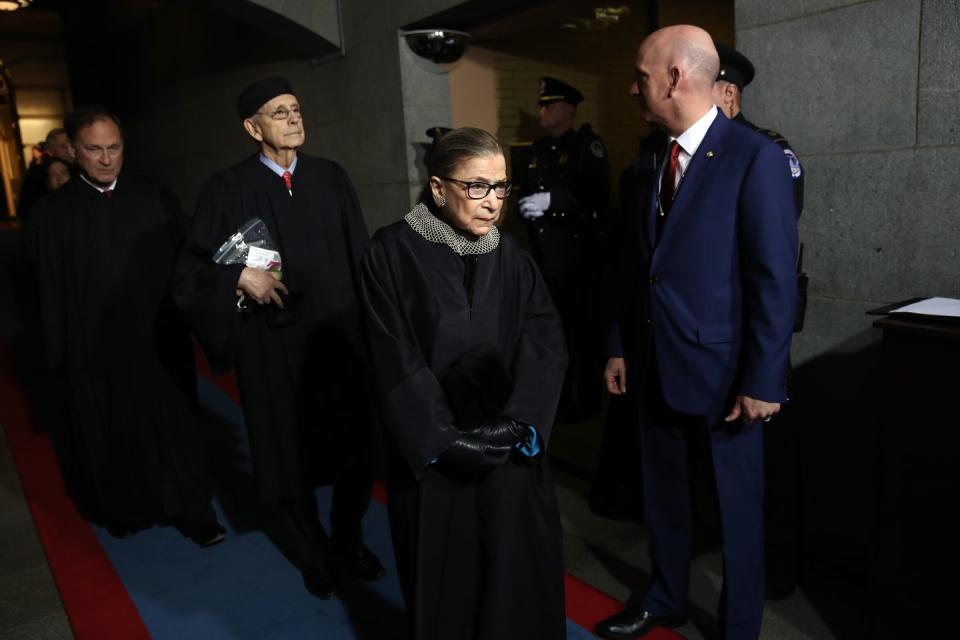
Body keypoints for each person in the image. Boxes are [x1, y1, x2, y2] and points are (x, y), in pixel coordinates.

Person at [594, 26, 798, 640]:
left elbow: (773, 278)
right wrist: (620, 345)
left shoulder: (754, 157)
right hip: (656, 362)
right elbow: (635, 268)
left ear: (674, 77)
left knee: (737, 513)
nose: (634, 86)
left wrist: (765, 379)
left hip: (728, 376)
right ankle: (665, 598)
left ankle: (739, 628)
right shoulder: (652, 158)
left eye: (640, 74)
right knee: (664, 499)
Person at [174, 76, 384, 600]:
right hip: (271, 349)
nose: (293, 118)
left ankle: (348, 536)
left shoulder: (331, 178)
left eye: (296, 109)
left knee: (356, 450)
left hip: (337, 340)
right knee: (288, 457)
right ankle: (312, 554)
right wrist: (238, 277)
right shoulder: (228, 188)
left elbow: (361, 257)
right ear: (253, 127)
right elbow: (191, 271)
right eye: (278, 112)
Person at [360, 127, 568, 639]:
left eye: (501, 187)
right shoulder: (390, 253)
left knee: (513, 582)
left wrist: (519, 425)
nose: (493, 202)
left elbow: (545, 341)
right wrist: (443, 439)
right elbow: (390, 353)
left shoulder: (512, 256)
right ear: (437, 187)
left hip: (507, 452)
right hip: (435, 461)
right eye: (477, 187)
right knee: (446, 588)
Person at [26, 106, 225, 546]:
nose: (106, 159)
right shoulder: (52, 215)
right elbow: (45, 294)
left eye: (113, 148)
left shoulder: (155, 196)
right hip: (95, 350)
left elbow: (186, 267)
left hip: (161, 341)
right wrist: (56, 359)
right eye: (94, 150)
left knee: (177, 429)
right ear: (74, 152)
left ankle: (195, 511)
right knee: (109, 432)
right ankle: (122, 509)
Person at [712, 42, 807, 599]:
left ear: (728, 93)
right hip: (713, 332)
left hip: (758, 329)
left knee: (768, 455)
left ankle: (777, 571)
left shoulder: (767, 151)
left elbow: (767, 252)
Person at [515, 76, 610, 421]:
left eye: (548, 105)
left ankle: (587, 402)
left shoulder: (587, 146)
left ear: (568, 109)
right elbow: (523, 192)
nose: (542, 111)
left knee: (585, 337)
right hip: (545, 260)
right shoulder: (537, 150)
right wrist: (524, 208)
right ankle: (561, 401)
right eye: (541, 105)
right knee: (554, 336)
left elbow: (598, 195)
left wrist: (554, 200)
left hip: (580, 263)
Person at [18, 129, 76, 220]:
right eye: (62, 147)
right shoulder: (42, 171)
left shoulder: (74, 167)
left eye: (70, 145)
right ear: (50, 150)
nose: (68, 150)